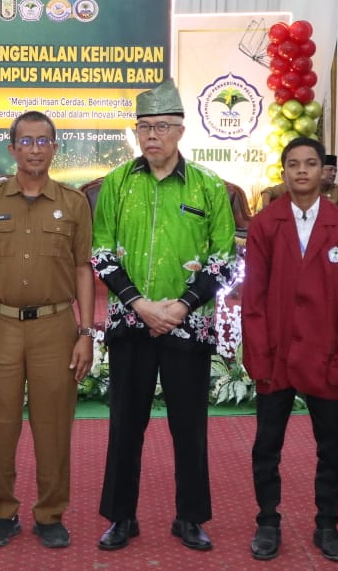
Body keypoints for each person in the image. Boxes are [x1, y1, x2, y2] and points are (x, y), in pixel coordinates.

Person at [92, 79, 237, 553]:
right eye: (144, 127)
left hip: (187, 324)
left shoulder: (208, 186)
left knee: (189, 426)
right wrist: (139, 304)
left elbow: (223, 260)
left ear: (180, 131)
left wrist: (181, 306)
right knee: (125, 424)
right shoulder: (117, 183)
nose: (151, 135)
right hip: (131, 323)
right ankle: (121, 517)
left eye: (161, 127)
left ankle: (190, 517)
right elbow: (100, 253)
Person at [0, 111, 95, 549]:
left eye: (43, 141)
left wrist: (86, 332)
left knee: (54, 424)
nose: (35, 149)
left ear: (55, 148)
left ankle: (50, 514)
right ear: (12, 148)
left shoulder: (74, 203)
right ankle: (1, 512)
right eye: (26, 141)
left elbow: (83, 268)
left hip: (55, 326)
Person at [242, 136, 338, 563]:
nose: (301, 171)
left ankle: (327, 524)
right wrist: (258, 354)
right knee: (266, 445)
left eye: (310, 163)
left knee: (330, 447)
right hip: (275, 356)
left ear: (323, 171)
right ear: (283, 171)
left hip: (324, 356)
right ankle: (267, 521)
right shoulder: (265, 224)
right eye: (293, 164)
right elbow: (253, 297)